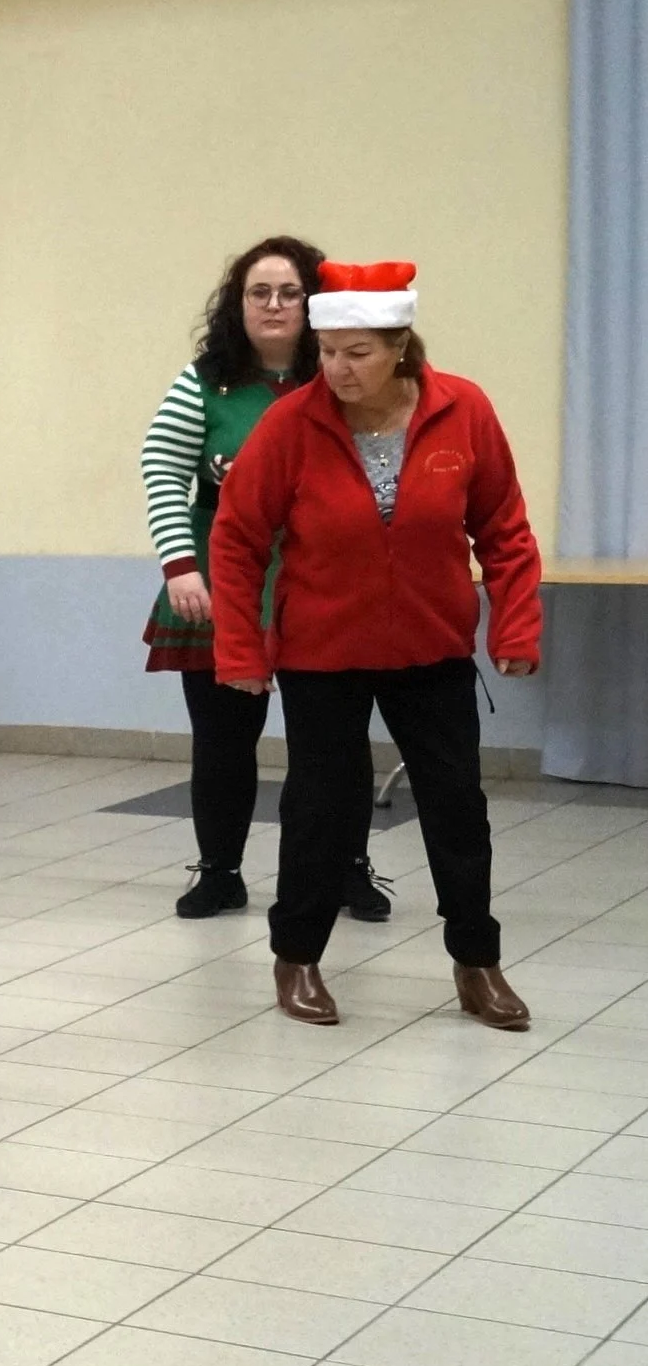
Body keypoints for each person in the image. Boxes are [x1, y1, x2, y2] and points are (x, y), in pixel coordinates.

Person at [212, 261, 540, 1031]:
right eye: (327, 352)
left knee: (456, 808)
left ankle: (476, 963)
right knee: (322, 809)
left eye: (356, 353)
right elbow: (235, 540)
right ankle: (296, 957)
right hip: (321, 652)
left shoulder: (462, 410)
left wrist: (515, 626)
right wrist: (240, 651)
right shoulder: (291, 424)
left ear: (399, 347)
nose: (337, 368)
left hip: (431, 648)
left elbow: (503, 529)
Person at [141, 237, 393, 924]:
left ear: (314, 304)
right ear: (239, 303)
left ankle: (346, 868)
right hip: (221, 577)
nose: (274, 305)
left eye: (289, 293)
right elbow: (161, 465)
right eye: (259, 292)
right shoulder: (205, 380)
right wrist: (180, 566)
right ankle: (220, 873)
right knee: (222, 739)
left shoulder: (341, 377)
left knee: (334, 741)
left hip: (322, 581)